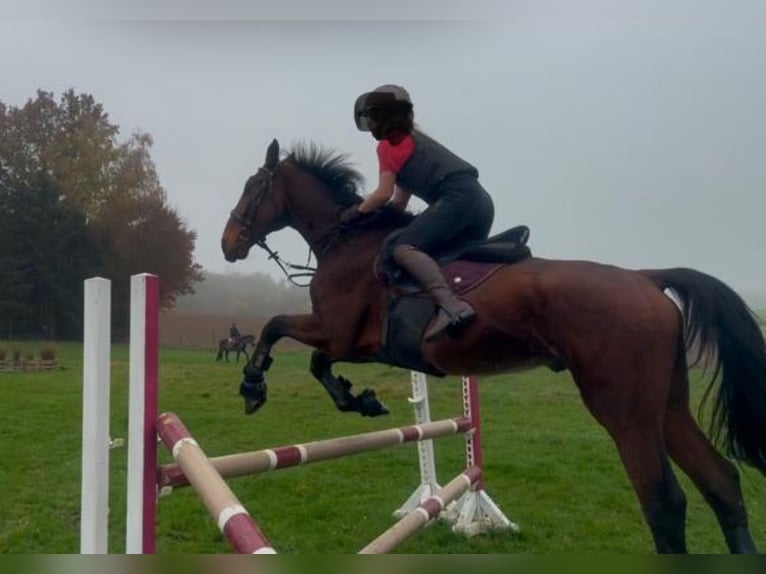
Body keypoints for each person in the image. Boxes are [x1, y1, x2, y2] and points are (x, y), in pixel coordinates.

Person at [341, 84, 495, 342]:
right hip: (480, 203)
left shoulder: (388, 146)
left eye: (371, 118)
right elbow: (399, 202)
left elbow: (383, 193)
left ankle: (452, 307)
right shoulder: (415, 142)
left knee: (403, 248)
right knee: (438, 253)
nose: (370, 126)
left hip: (456, 200)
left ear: (381, 117)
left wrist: (357, 211)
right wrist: (379, 217)